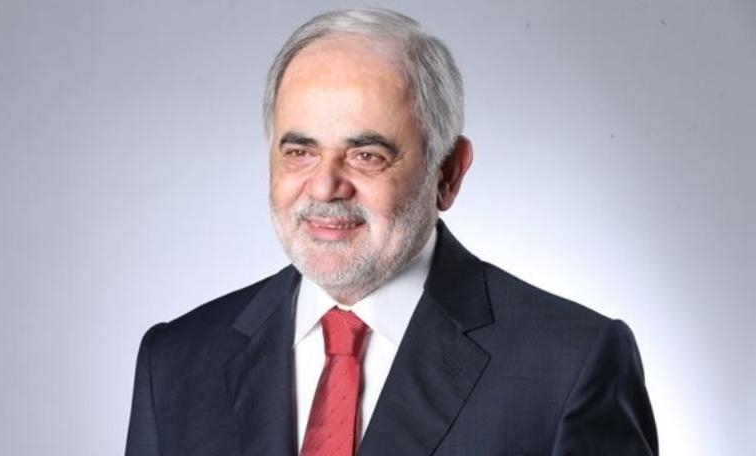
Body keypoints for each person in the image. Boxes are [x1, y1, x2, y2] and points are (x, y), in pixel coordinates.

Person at [125, 7, 658, 456]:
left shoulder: (570, 364)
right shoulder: (173, 362)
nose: (326, 186)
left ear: (447, 174)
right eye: (300, 151)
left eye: (366, 155)